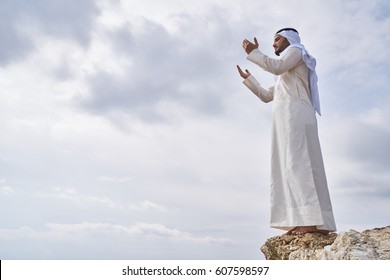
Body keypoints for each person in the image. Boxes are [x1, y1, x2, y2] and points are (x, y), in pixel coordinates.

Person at [237, 28, 336, 235]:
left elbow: (276, 66)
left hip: (297, 116)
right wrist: (250, 79)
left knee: (301, 166)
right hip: (285, 121)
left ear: (289, 39)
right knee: (288, 168)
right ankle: (299, 219)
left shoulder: (297, 50)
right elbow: (266, 96)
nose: (273, 44)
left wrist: (254, 53)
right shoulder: (283, 77)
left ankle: (312, 221)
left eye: (277, 39)